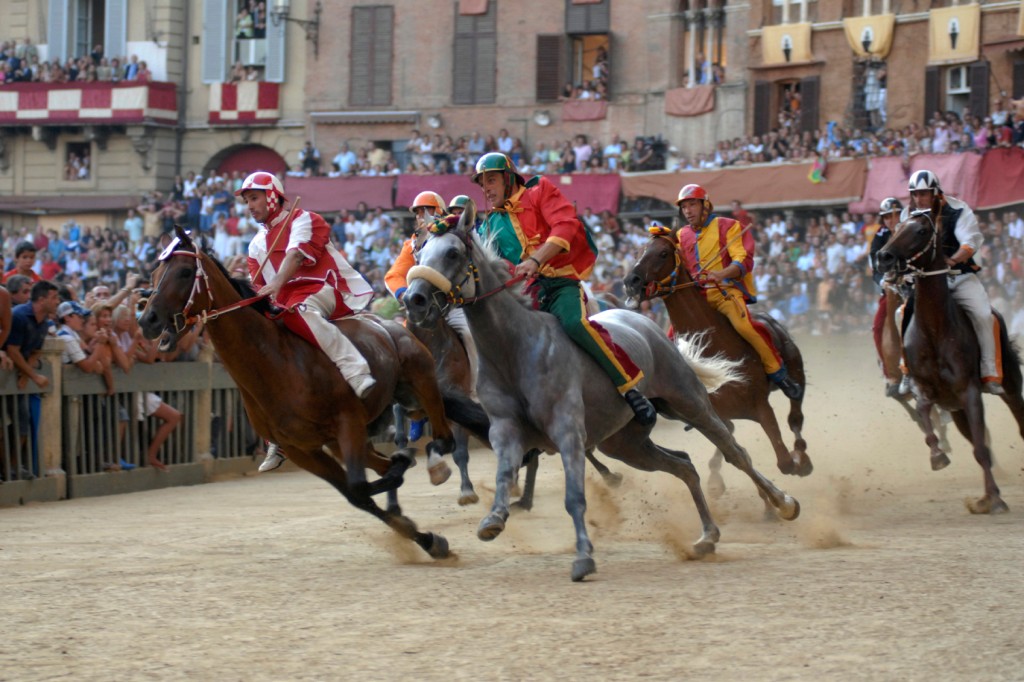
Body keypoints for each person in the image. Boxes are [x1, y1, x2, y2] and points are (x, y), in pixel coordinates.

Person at [473, 152, 657, 424]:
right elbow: (499, 267)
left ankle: (629, 387)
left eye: (492, 180)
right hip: (528, 293)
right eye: (482, 183)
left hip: (561, 282)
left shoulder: (539, 190)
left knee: (574, 324)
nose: (486, 188)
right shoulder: (490, 223)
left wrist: (536, 259)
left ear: (509, 178)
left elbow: (565, 226)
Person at [238, 171, 375, 469]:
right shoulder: (255, 244)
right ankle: (276, 436)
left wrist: (274, 286)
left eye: (254, 198)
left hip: (321, 287)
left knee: (299, 311)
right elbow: (258, 285)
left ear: (272, 196)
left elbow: (296, 258)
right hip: (284, 301)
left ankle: (357, 370)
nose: (249, 205)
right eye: (247, 200)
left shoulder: (303, 219)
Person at [675, 183, 803, 399]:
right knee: (673, 340)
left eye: (692, 204)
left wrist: (722, 273)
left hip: (724, 292)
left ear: (705, 205)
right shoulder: (681, 235)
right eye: (684, 206)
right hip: (696, 299)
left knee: (745, 327)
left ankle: (778, 373)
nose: (688, 210)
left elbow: (743, 260)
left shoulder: (729, 226)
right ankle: (688, 397)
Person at [385, 191, 480, 439]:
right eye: (417, 212)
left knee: (469, 333)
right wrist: (406, 295)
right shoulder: (412, 245)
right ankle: (412, 408)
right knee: (399, 349)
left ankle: (474, 392)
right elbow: (393, 276)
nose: (420, 216)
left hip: (452, 306)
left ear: (439, 211)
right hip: (423, 309)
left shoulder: (453, 237)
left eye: (425, 210)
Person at [901, 170, 1003, 395]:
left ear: (936, 193)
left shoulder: (958, 209)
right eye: (915, 194)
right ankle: (907, 371)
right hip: (927, 282)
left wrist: (953, 258)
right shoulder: (907, 214)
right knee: (902, 313)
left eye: (924, 194)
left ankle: (990, 372)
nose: (919, 199)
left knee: (984, 315)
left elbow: (971, 241)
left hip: (961, 276)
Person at [869, 197, 906, 396]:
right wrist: (882, 281)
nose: (892, 220)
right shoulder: (880, 236)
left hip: (913, 285)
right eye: (887, 217)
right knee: (877, 327)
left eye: (895, 215)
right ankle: (889, 374)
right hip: (890, 288)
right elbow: (874, 264)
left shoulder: (911, 228)